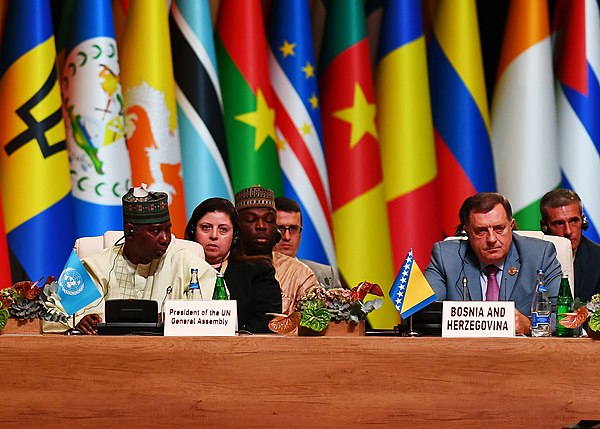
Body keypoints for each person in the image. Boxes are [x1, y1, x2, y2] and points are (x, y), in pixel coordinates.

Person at [73, 185, 216, 334]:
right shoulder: (95, 266)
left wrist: (177, 318)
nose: (166, 239)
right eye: (155, 231)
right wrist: (80, 322)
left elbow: (219, 310)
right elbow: (53, 314)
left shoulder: (186, 262)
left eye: (167, 229)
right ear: (129, 231)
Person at [424, 192, 562, 335]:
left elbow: (564, 319)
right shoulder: (445, 257)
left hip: (523, 353)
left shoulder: (540, 255)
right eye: (481, 231)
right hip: (463, 352)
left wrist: (529, 325)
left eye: (499, 229)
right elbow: (423, 315)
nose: (491, 239)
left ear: (511, 226)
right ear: (467, 232)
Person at [184, 197, 282, 333]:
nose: (214, 235)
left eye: (223, 230)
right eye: (206, 228)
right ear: (193, 231)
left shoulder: (258, 272)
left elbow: (268, 321)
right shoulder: (176, 268)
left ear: (235, 236)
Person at [234, 185, 319, 315]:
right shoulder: (221, 267)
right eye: (251, 220)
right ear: (236, 227)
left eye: (268, 220)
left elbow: (313, 326)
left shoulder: (300, 274)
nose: (261, 226)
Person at [540, 189, 600, 302]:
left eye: (574, 221)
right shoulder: (532, 259)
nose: (568, 231)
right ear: (545, 227)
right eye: (559, 223)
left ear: (583, 221)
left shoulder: (597, 259)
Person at [274, 196, 343, 288]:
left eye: (293, 228)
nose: (287, 237)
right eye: (280, 229)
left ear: (301, 234)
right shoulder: (253, 273)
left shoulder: (326, 275)